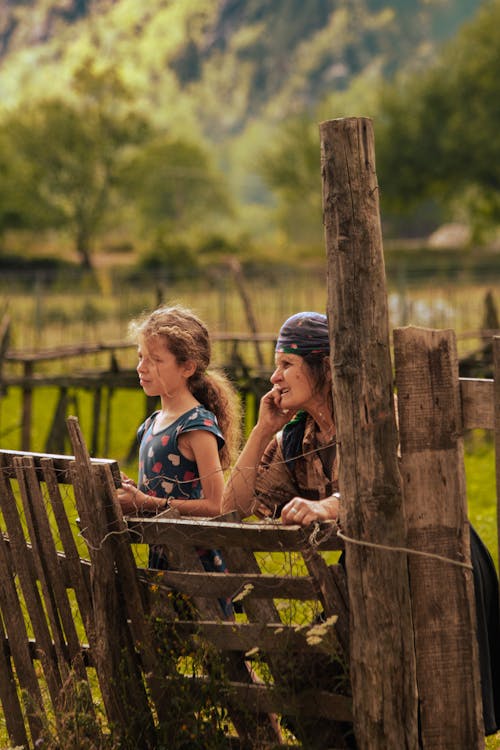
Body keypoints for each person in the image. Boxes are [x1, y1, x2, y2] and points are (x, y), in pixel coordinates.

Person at [222, 310, 500, 738]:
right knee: (331, 697)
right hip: (366, 581)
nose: (274, 377)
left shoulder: (382, 416)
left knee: (440, 706)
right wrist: (261, 431)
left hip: (434, 563)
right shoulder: (297, 439)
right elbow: (232, 509)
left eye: (287, 364)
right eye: (275, 365)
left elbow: (399, 487)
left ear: (327, 367)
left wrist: (329, 507)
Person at [117, 304, 241, 618]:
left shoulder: (196, 426)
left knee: (223, 657)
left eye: (155, 360)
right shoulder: (151, 423)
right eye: (140, 356)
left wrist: (146, 501)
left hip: (197, 561)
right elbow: (157, 487)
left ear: (187, 367)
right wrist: (132, 493)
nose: (142, 367)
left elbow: (217, 505)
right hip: (162, 556)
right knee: (167, 648)